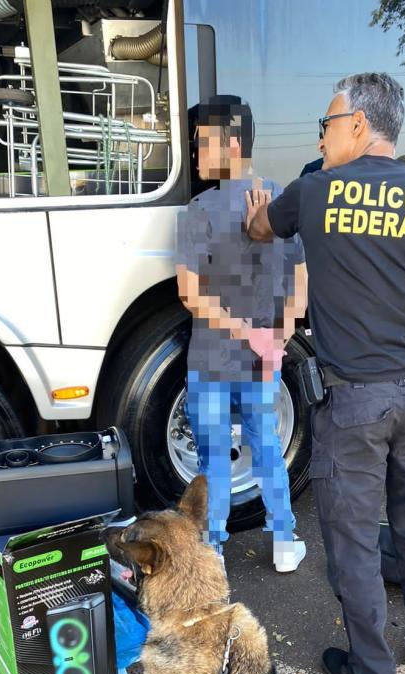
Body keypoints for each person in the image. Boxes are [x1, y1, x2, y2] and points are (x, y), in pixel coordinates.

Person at [245, 72, 405, 674]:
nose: (321, 139)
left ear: (358, 125)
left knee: (352, 539)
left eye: (325, 125)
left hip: (353, 403)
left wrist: (252, 216)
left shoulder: (314, 193)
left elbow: (260, 231)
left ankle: (373, 672)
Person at [175, 96, 310, 572]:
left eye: (201, 143)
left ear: (231, 144)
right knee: (268, 447)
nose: (194, 153)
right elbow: (301, 282)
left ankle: (213, 548)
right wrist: (278, 336)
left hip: (211, 361)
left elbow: (189, 295)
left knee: (213, 459)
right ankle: (283, 542)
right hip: (262, 364)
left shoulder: (199, 210)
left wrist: (244, 332)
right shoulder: (283, 200)